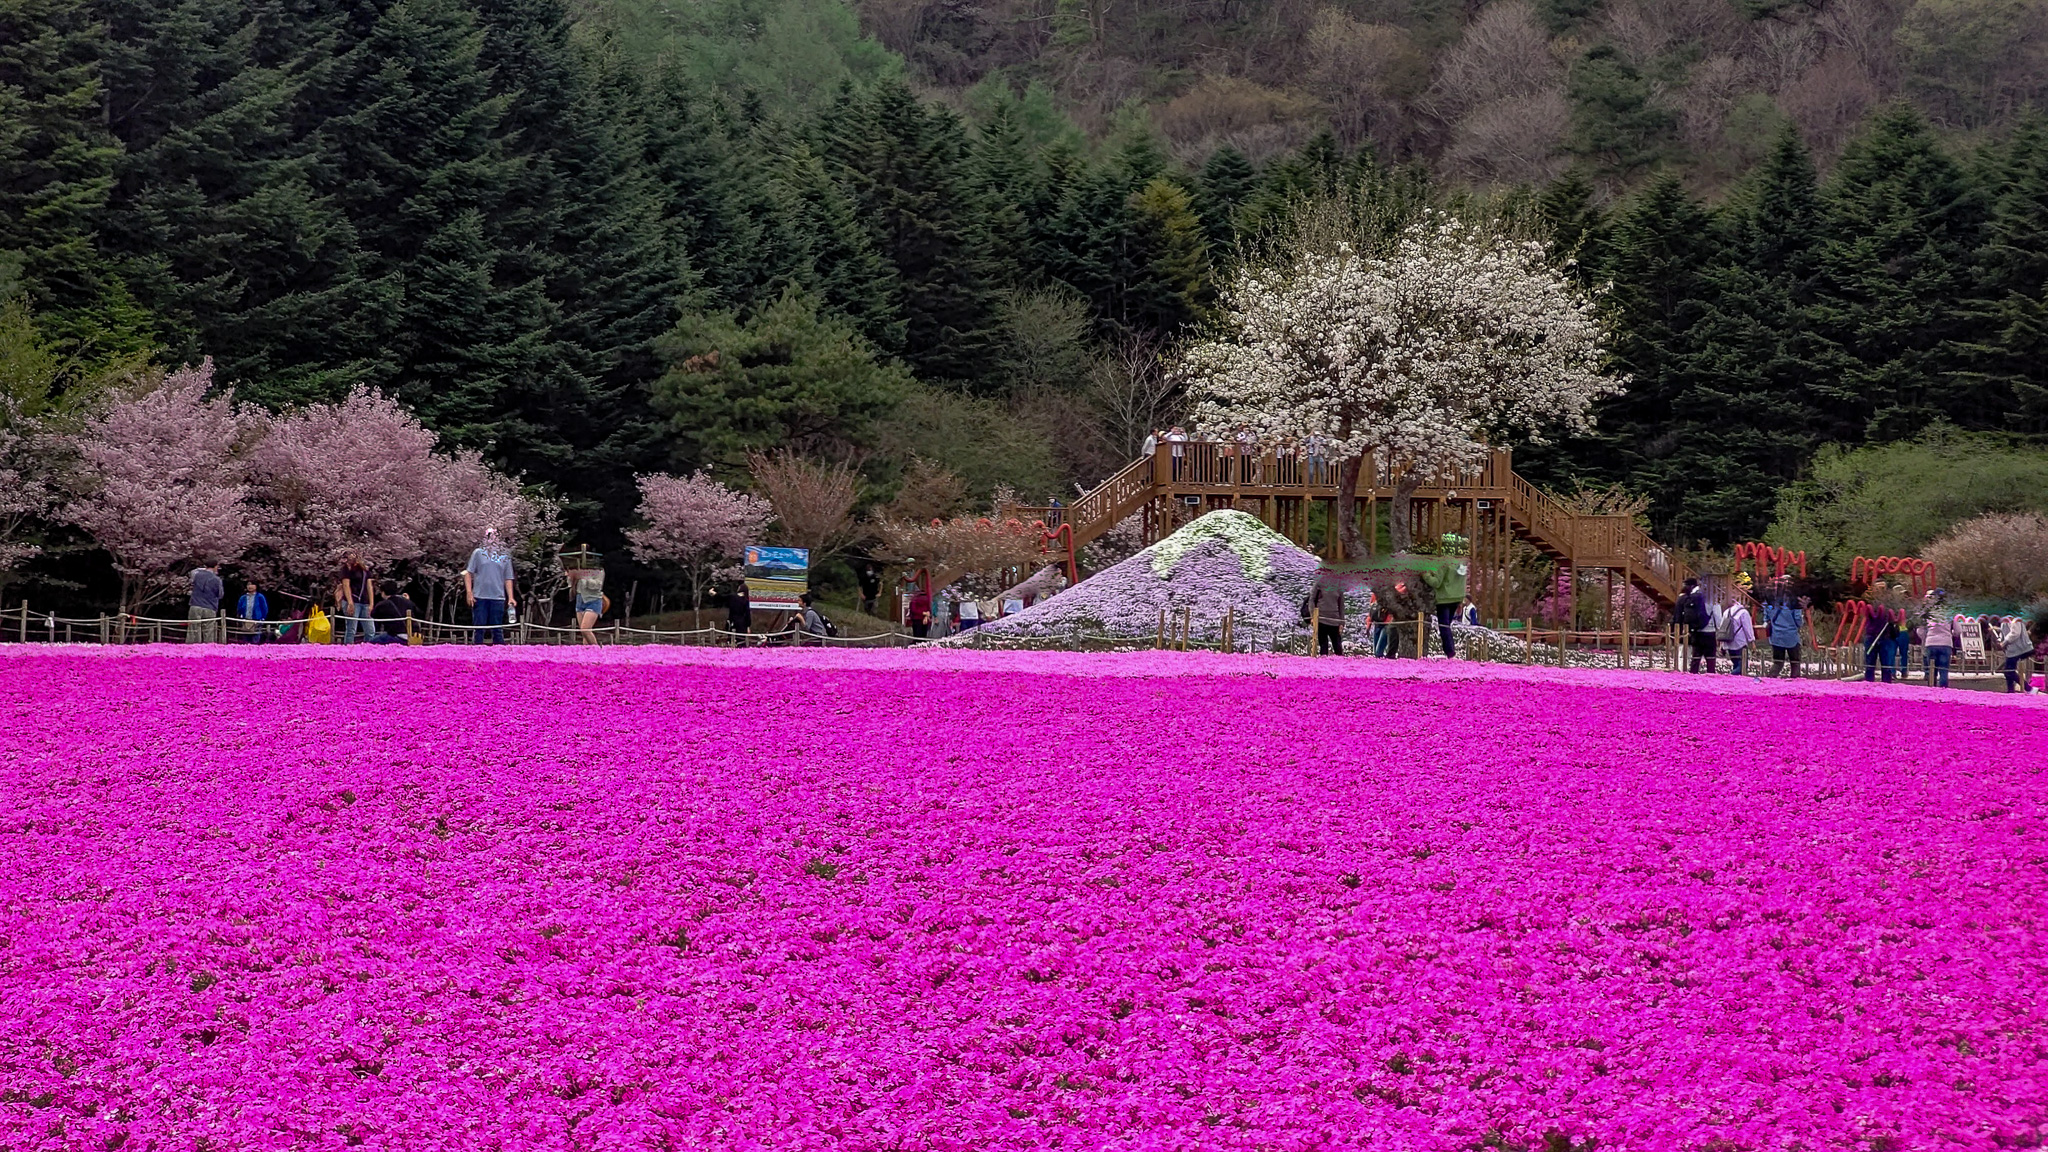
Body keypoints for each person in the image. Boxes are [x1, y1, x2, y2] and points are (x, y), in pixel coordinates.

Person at [462, 528, 516, 645]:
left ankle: (499, 655)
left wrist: (511, 597)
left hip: (498, 597)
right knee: (479, 629)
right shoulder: (478, 553)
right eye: (489, 536)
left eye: (494, 536)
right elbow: (468, 573)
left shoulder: (505, 555)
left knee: (497, 629)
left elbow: (508, 578)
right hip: (480, 596)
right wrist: (469, 593)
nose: (492, 539)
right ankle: (477, 654)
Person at [1761, 589, 1806, 678]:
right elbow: (1798, 620)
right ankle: (1795, 686)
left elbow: (1766, 618)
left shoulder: (1770, 601)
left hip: (1776, 636)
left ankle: (1770, 682)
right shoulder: (1794, 602)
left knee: (1778, 662)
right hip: (1791, 636)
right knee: (1795, 663)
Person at [564, 549, 604, 648]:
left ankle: (597, 649)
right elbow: (569, 584)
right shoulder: (577, 570)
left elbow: (597, 585)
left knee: (585, 628)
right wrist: (572, 576)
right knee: (584, 633)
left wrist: (584, 578)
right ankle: (586, 653)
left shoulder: (599, 571)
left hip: (593, 600)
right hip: (580, 599)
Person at [1675, 577, 1714, 674]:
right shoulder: (1705, 598)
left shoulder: (1688, 598)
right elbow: (1717, 617)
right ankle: (1710, 676)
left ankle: (1692, 675)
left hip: (1694, 630)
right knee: (1710, 659)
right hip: (1708, 630)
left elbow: (1679, 616)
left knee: (1696, 658)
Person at [338, 551, 374, 645]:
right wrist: (350, 602)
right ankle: (348, 650)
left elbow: (369, 586)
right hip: (353, 600)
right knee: (351, 629)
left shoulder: (365, 570)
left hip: (364, 601)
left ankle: (370, 650)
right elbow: (346, 585)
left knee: (370, 630)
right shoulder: (346, 569)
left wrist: (371, 604)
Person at [187, 562, 223, 643]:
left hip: (195, 605)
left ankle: (192, 648)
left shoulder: (197, 575)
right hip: (210, 606)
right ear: (216, 566)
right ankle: (208, 650)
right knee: (209, 630)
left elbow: (192, 572)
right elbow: (220, 594)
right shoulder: (217, 579)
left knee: (193, 629)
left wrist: (205, 569)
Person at [1862, 605, 1898, 684]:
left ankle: (1873, 681)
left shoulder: (1874, 619)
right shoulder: (1883, 618)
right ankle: (1880, 681)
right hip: (1877, 638)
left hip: (1877, 637)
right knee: (1880, 663)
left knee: (1875, 663)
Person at [1922, 594, 1953, 688]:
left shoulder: (1927, 613)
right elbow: (1958, 630)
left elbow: (1920, 630)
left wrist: (1925, 637)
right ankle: (1943, 690)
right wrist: (1951, 633)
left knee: (1932, 670)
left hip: (1931, 643)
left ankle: (1932, 689)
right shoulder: (1950, 613)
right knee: (1944, 670)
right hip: (1945, 643)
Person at [1998, 614, 2033, 693]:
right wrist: (2000, 640)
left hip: (2020, 649)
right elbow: (2003, 632)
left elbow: (2015, 633)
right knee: (2008, 671)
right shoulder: (2005, 619)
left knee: (2009, 671)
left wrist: (2004, 643)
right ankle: (2010, 691)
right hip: (2013, 650)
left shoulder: (2014, 618)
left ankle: (2029, 688)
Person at [1311, 573, 1344, 655]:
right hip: (1321, 619)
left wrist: (1342, 622)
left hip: (1334, 620)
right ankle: (1323, 666)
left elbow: (1341, 605)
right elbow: (1312, 599)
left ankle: (1341, 666)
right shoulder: (1319, 583)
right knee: (1323, 647)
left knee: (1338, 648)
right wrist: (1313, 616)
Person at [1722, 594, 1754, 676]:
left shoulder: (1726, 612)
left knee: (1735, 663)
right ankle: (1730, 676)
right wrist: (1752, 641)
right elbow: (1748, 628)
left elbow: (1722, 628)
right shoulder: (1744, 613)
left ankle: (1735, 682)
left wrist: (1721, 644)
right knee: (1743, 665)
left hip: (1728, 641)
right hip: (1740, 642)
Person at [233, 580, 268, 644]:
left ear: (256, 586)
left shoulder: (260, 597)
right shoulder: (243, 598)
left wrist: (262, 618)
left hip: (257, 621)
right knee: (245, 640)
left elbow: (264, 609)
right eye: (248, 584)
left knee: (255, 640)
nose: (250, 586)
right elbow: (239, 608)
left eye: (252, 584)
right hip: (245, 621)